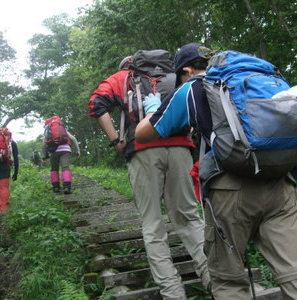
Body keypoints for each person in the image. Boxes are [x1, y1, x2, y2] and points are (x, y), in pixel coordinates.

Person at [135, 42, 297, 300]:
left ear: (188, 71)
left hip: (230, 189)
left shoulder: (192, 88)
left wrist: (152, 109)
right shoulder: (258, 79)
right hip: (282, 185)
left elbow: (144, 134)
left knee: (228, 281)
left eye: (180, 76)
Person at [88, 54, 210, 299]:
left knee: (153, 223)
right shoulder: (176, 75)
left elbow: (96, 104)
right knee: (188, 217)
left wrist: (116, 140)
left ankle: (173, 292)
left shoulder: (123, 78)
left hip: (142, 149)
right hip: (180, 148)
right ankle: (214, 278)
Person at [43, 127, 80, 194]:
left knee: (54, 168)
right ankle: (67, 187)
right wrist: (78, 150)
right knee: (65, 167)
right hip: (65, 150)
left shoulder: (48, 130)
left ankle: (56, 187)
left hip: (53, 151)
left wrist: (44, 156)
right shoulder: (63, 129)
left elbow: (43, 143)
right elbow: (73, 138)